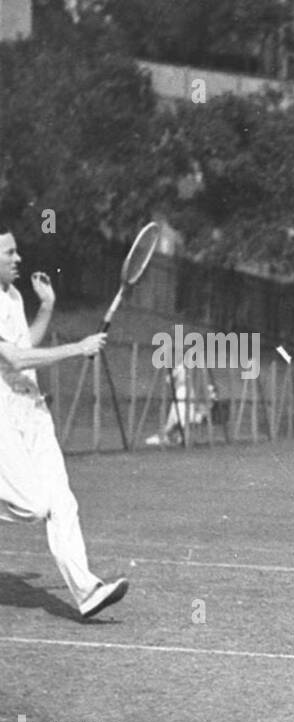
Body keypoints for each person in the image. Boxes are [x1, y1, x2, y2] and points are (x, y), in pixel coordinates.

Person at [0, 222, 128, 619]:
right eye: (9, 253)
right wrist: (78, 347)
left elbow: (24, 345)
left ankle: (87, 591)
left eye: (16, 251)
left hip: (33, 410)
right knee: (34, 506)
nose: (18, 258)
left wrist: (48, 307)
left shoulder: (13, 295)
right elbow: (14, 360)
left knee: (62, 501)